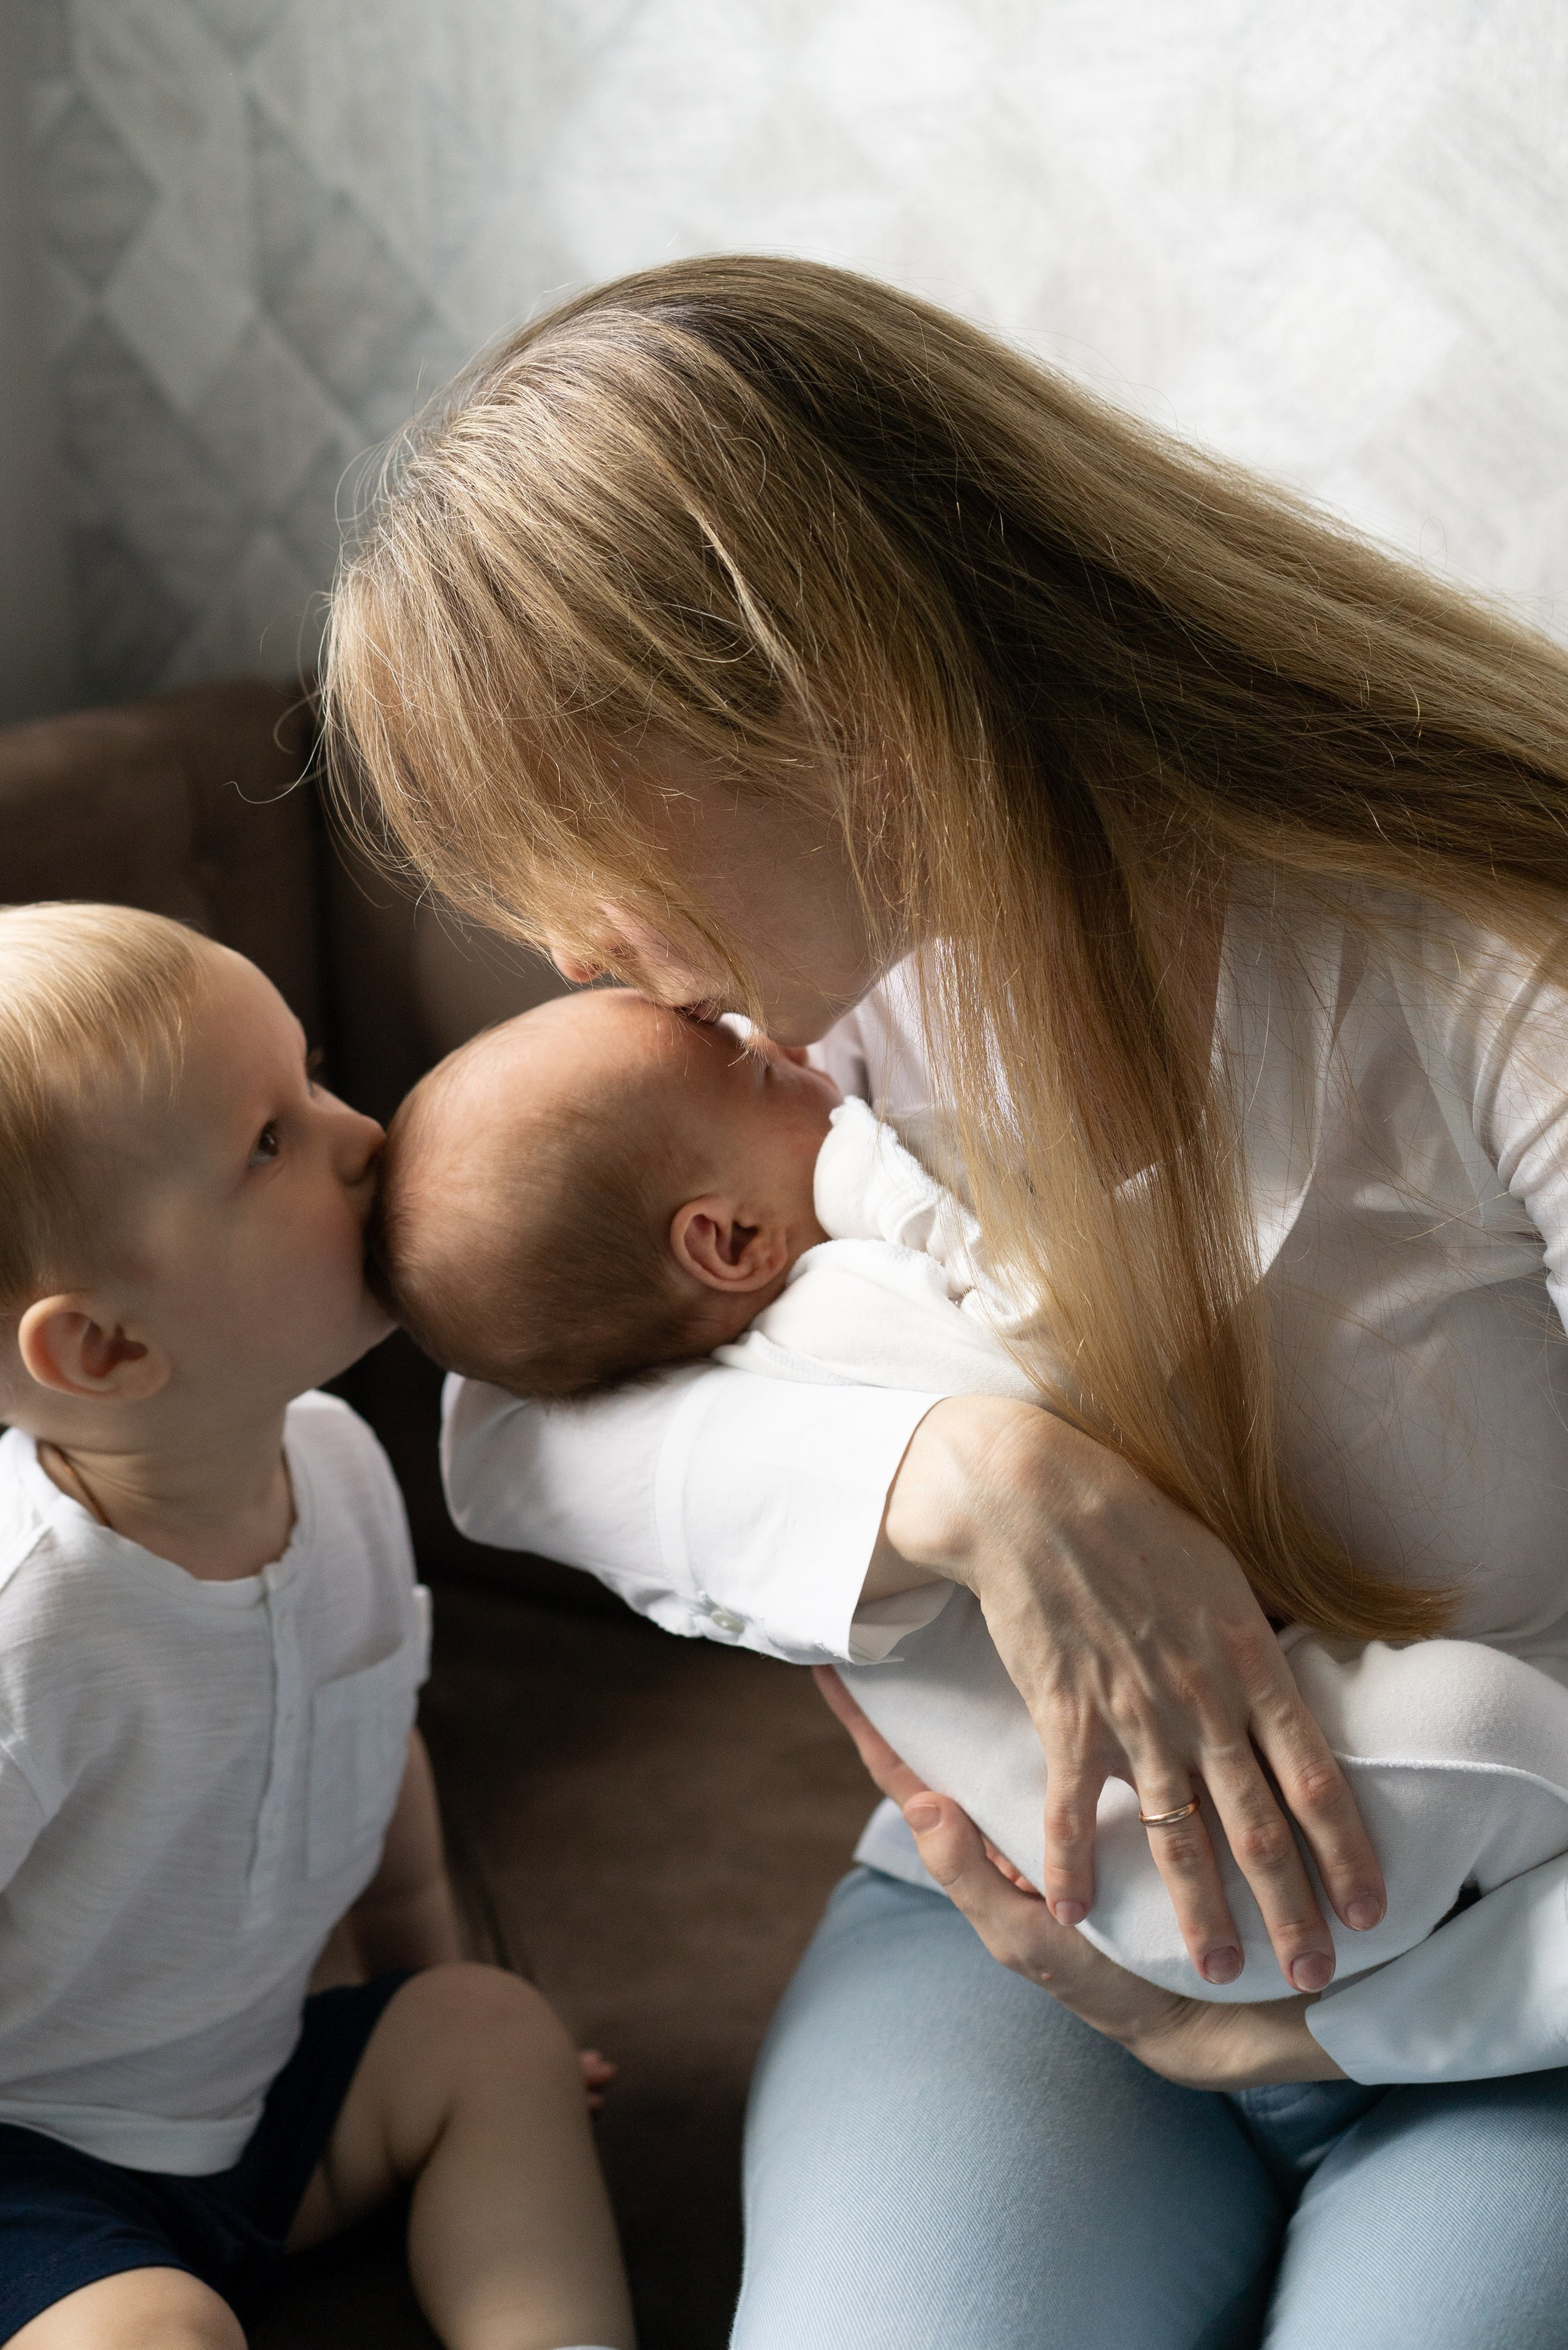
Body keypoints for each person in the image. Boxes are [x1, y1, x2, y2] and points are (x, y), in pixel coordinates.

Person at [323, 253, 1568, 2348]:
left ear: (824, 694)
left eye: (564, 839)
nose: (564, 949)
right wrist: (966, 1474)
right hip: (1021, 1950)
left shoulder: (1480, 973)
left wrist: (1367, 2034)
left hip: (1513, 1966)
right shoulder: (847, 1037)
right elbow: (519, 1421)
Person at [0, 904, 632, 2350]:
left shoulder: (343, 1470)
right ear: (104, 1347)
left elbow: (378, 1742)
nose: (363, 1133)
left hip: (247, 2098)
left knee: (491, 2030)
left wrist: (415, 1986)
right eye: (271, 1140)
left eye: (311, 1079)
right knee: (154, 2332)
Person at [368, 980, 1568, 2005]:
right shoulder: (839, 1309)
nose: (787, 1049)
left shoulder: (753, 1316)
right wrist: (864, 1176)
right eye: (753, 1071)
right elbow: (1053, 1350)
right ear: (726, 1244)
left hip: (1178, 1871)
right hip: (1201, 1860)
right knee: (1481, 1724)